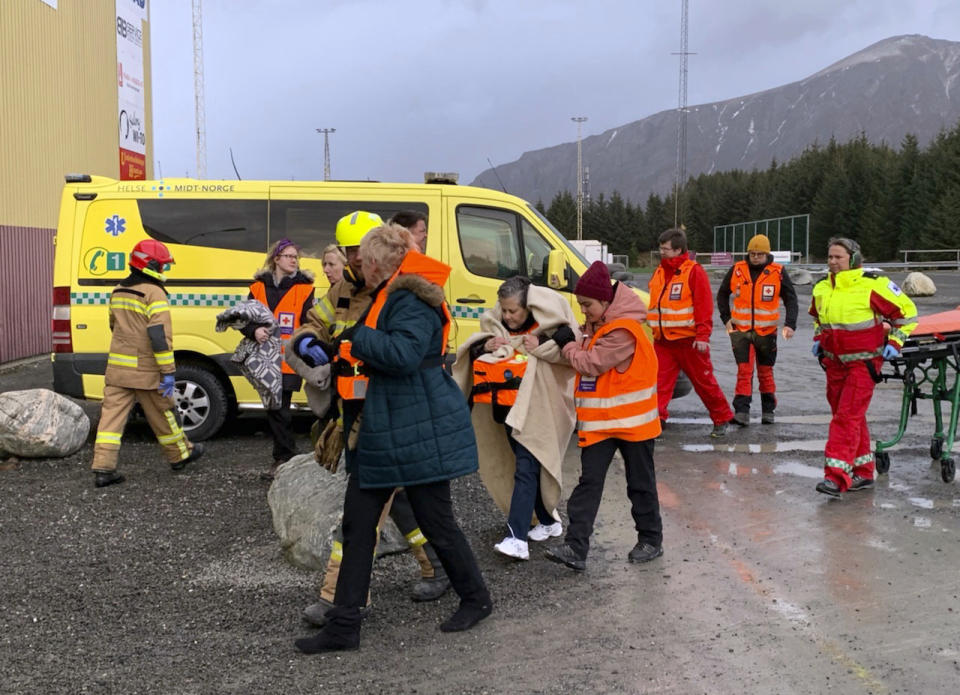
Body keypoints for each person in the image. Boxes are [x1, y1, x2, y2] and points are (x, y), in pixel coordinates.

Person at [295, 223, 492, 654]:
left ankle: (476, 599)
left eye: (363, 261)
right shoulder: (397, 294)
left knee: (435, 522)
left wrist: (355, 336)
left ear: (380, 264)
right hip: (389, 427)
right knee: (359, 525)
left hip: (412, 427)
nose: (357, 267)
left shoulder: (410, 299)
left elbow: (402, 356)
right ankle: (344, 625)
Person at [544, 261, 663, 571]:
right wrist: (574, 341)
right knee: (589, 484)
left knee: (640, 484)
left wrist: (568, 344)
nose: (583, 310)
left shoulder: (624, 329)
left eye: (587, 304)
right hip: (601, 425)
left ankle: (650, 539)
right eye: (581, 304)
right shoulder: (600, 325)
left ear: (606, 302)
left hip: (633, 425)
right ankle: (575, 547)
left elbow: (591, 363)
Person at [453, 276, 578, 561]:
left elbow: (570, 339)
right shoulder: (495, 329)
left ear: (528, 308)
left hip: (537, 413)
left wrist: (540, 342)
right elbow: (471, 352)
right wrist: (485, 348)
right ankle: (548, 522)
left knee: (526, 468)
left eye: (514, 311)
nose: (508, 317)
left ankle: (517, 538)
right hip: (507, 412)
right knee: (526, 467)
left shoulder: (548, 331)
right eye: (504, 310)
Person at [90, 240, 204, 487]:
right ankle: (180, 456)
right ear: (151, 265)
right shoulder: (154, 293)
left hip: (118, 369)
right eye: (162, 266)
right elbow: (159, 336)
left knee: (110, 420)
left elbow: (114, 326)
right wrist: (168, 372)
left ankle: (103, 468)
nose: (163, 271)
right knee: (164, 414)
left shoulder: (118, 290)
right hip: (146, 371)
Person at [810, 237, 917, 497]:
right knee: (849, 417)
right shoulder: (822, 288)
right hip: (834, 364)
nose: (833, 262)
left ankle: (835, 477)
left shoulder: (873, 285)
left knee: (846, 417)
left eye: (839, 257)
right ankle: (864, 472)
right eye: (830, 257)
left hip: (863, 363)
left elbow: (908, 313)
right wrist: (818, 340)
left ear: (854, 259)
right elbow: (818, 319)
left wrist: (896, 341)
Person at [648, 227, 734, 437]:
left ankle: (721, 418)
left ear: (678, 250)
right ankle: (656, 421)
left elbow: (703, 306)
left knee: (704, 382)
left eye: (666, 249)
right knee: (658, 383)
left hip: (689, 341)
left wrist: (703, 336)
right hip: (663, 341)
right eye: (661, 248)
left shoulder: (693, 271)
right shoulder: (659, 272)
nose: (662, 252)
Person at [245, 239, 316, 480]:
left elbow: (309, 323)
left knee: (279, 407)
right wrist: (254, 330)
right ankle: (285, 456)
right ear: (276, 259)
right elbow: (244, 318)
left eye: (295, 256)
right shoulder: (257, 288)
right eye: (288, 256)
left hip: (288, 359)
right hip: (263, 359)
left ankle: (285, 457)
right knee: (274, 408)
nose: (293, 260)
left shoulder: (305, 288)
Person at [716, 234, 798, 425]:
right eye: (752, 253)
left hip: (767, 332)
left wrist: (790, 324)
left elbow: (791, 299)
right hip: (740, 331)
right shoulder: (737, 270)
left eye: (759, 254)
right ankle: (742, 412)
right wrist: (726, 319)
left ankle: (768, 410)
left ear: (767, 254)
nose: (755, 257)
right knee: (743, 371)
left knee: (765, 372)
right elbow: (722, 295)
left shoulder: (778, 272)